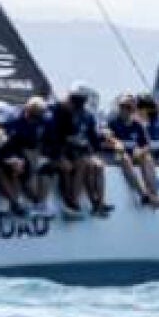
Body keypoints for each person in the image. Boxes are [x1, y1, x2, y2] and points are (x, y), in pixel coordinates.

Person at [45, 83, 112, 218]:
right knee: (76, 165)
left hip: (80, 152)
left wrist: (98, 150)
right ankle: (72, 201)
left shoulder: (87, 115)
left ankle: (98, 202)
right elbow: (53, 136)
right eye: (76, 99)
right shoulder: (58, 110)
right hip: (62, 152)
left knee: (97, 166)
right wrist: (60, 155)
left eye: (81, 100)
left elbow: (93, 139)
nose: (79, 103)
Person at [106, 93, 159, 207]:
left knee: (147, 158)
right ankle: (143, 195)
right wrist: (115, 142)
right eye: (122, 106)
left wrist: (141, 151)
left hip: (133, 155)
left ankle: (155, 195)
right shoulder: (112, 123)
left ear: (133, 109)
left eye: (128, 107)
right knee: (124, 157)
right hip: (117, 155)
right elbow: (106, 136)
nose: (124, 110)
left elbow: (147, 145)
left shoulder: (138, 125)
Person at [0, 96, 53, 212]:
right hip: (15, 151)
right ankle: (17, 202)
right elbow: (5, 144)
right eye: (33, 116)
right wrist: (12, 158)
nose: (35, 120)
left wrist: (45, 154)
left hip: (35, 151)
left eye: (37, 117)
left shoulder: (45, 121)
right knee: (20, 169)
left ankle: (40, 202)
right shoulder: (13, 119)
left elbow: (50, 140)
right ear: (27, 110)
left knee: (46, 168)